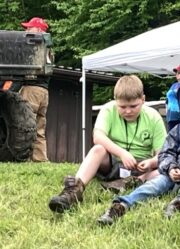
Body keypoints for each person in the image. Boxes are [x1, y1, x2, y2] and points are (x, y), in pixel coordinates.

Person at [97, 79, 180, 225]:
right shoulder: (179, 129)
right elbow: (165, 154)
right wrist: (172, 168)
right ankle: (121, 205)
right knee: (156, 182)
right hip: (178, 174)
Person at [48, 75, 167, 213]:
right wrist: (122, 153)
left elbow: (162, 154)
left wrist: (151, 163)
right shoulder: (108, 109)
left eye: (133, 106)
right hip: (112, 163)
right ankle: (74, 191)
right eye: (122, 106)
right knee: (98, 149)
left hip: (140, 168)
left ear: (143, 100)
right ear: (115, 101)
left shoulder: (154, 117)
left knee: (164, 170)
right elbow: (97, 136)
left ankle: (129, 183)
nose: (128, 111)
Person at [19, 17, 53, 162]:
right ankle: (40, 159)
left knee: (25, 125)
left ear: (38, 30)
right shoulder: (48, 47)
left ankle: (23, 158)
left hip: (32, 89)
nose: (26, 30)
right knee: (39, 128)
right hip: (44, 91)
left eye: (29, 28)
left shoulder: (35, 45)